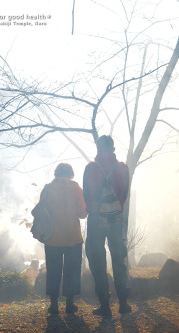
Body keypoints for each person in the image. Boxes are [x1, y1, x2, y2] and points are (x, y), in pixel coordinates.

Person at [84, 135, 131, 316]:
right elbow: (125, 194)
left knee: (98, 261)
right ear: (113, 148)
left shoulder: (91, 168)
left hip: (96, 220)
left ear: (97, 148)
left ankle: (105, 305)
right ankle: (124, 304)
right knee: (119, 260)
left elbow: (86, 193)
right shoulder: (122, 168)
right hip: (116, 219)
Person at [43, 163, 87, 314]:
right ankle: (69, 304)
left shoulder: (47, 189)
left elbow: (42, 211)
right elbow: (83, 214)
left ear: (56, 173)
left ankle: (53, 305)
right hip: (72, 238)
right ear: (71, 174)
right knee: (72, 271)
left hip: (52, 237)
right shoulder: (77, 190)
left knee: (53, 271)